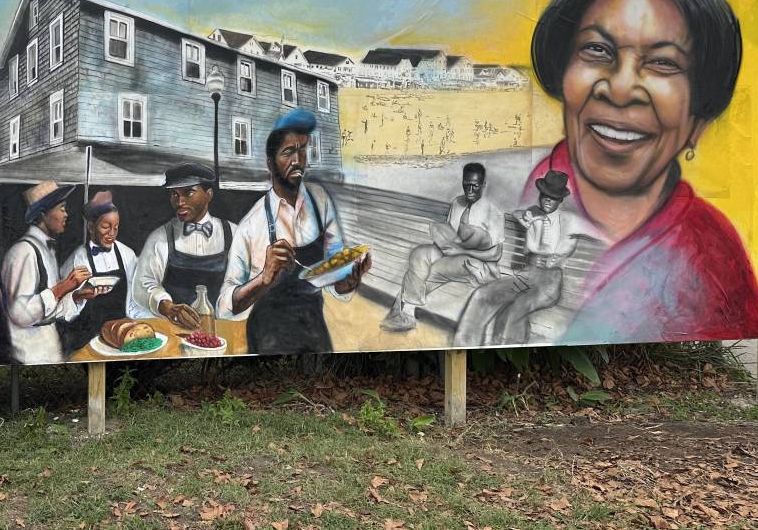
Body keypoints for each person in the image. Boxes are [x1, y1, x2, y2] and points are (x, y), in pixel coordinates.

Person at [525, 0, 758, 342]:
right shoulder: (517, 190)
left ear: (699, 120)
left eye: (663, 63)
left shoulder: (710, 255)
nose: (621, 89)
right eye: (597, 49)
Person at [219, 109, 371, 353]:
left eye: (302, 150)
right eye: (288, 152)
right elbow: (225, 306)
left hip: (313, 326)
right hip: (268, 335)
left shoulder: (320, 200)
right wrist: (263, 279)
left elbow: (333, 269)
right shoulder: (252, 224)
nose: (298, 160)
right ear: (270, 163)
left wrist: (348, 281)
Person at [453, 170, 579, 346]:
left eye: (554, 197)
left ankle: (508, 356)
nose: (548, 200)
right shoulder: (533, 212)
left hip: (549, 281)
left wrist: (555, 257)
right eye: (545, 195)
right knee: (483, 294)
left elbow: (570, 243)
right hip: (526, 274)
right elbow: (517, 214)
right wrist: (528, 218)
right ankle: (464, 344)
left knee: (517, 307)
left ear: (560, 200)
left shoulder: (567, 221)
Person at [380, 163, 506, 332]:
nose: (469, 189)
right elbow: (450, 233)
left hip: (475, 262)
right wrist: (440, 239)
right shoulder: (456, 203)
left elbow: (496, 254)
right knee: (419, 254)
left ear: (483, 184)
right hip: (451, 253)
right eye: (465, 184)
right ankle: (408, 313)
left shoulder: (494, 213)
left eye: (474, 186)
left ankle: (406, 313)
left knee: (430, 270)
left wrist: (461, 251)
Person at [0, 181, 102, 364]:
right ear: (42, 214)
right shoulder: (23, 252)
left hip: (48, 350)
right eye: (61, 208)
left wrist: (76, 297)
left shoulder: (45, 249)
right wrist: (63, 287)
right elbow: (19, 313)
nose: (66, 215)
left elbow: (50, 308)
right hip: (29, 355)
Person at [131, 163, 234, 329]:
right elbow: (142, 285)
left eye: (189, 193)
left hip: (223, 328)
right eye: (174, 194)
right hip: (175, 329)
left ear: (209, 194)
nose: (179, 202)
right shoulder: (160, 237)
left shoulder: (234, 233)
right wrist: (168, 308)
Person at [58, 190, 139, 354]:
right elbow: (63, 310)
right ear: (91, 227)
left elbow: (135, 297)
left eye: (116, 228)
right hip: (86, 338)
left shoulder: (127, 254)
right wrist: (79, 296)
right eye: (105, 227)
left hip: (120, 334)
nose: (112, 234)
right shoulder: (77, 259)